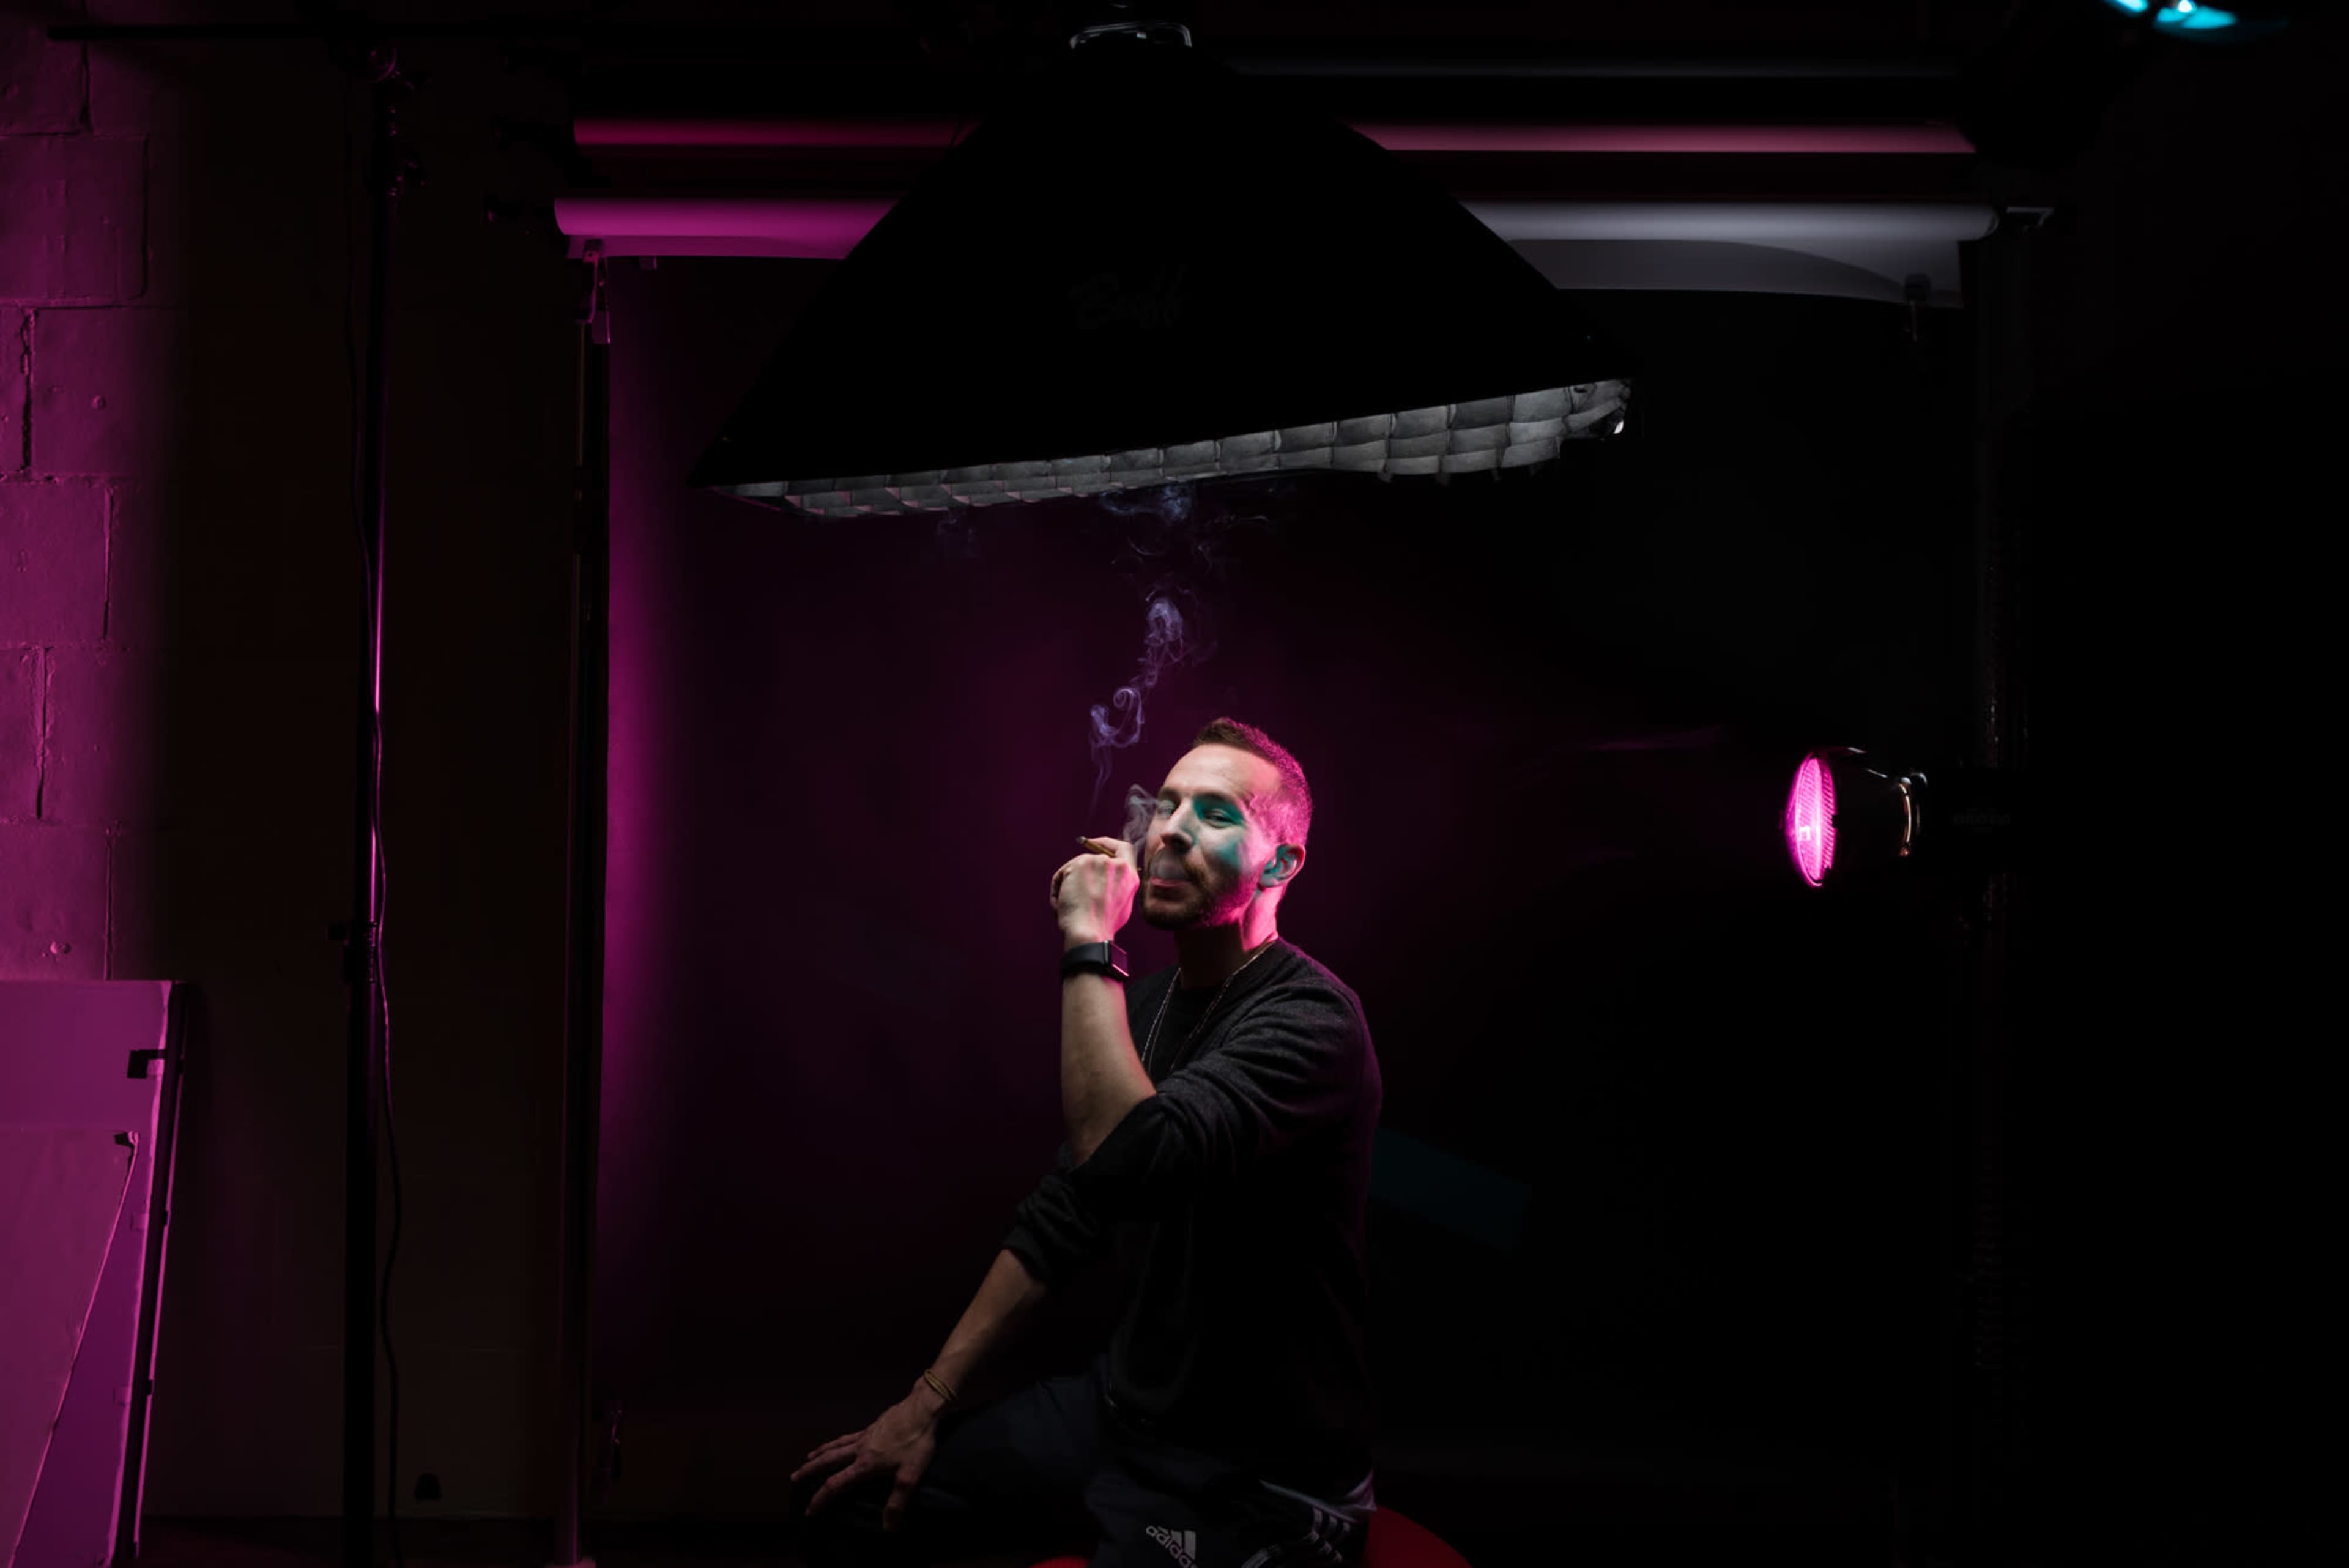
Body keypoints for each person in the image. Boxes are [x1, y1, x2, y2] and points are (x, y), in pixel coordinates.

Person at [786, 717, 1382, 1568]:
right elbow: (1068, 1212)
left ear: (1280, 864)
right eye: (1167, 805)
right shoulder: (1144, 1004)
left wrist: (1091, 944)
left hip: (1257, 1471)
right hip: (1124, 1415)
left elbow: (1132, 1161)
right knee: (846, 1505)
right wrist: (925, 1401)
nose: (1170, 829)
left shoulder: (1314, 1018)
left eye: (1215, 813)